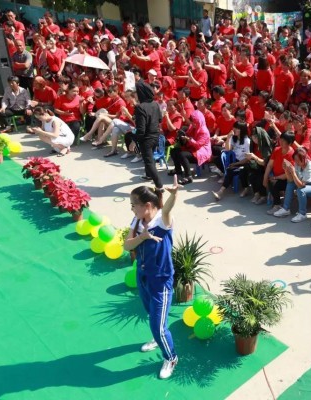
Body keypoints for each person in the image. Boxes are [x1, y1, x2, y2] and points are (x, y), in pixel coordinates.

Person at [123, 178, 181, 379]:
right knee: (151, 313)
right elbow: (126, 246)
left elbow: (167, 210)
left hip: (160, 281)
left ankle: (171, 357)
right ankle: (158, 339)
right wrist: (142, 237)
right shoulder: (138, 221)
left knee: (158, 325)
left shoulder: (162, 221)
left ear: (147, 205)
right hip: (143, 276)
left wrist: (173, 195)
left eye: (134, 205)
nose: (131, 209)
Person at [273, 147, 311, 223]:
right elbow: (290, 180)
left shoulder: (310, 168)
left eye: (298, 160)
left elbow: (301, 186)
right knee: (290, 184)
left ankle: (302, 214)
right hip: (308, 185)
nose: (296, 162)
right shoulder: (298, 164)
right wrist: (286, 170)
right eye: (295, 160)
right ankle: (286, 209)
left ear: (304, 159)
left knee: (301, 190)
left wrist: (293, 173)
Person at [134, 81, 163, 190]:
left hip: (146, 139)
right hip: (156, 136)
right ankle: (148, 175)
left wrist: (134, 139)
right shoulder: (155, 104)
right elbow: (160, 119)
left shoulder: (140, 107)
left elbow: (141, 130)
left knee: (149, 162)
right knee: (150, 159)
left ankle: (159, 186)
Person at [169, 111, 212, 185]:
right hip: (193, 148)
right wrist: (182, 135)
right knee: (174, 151)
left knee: (182, 155)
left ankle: (188, 176)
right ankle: (178, 169)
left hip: (202, 152)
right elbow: (188, 134)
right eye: (193, 122)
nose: (193, 123)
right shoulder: (193, 126)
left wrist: (188, 139)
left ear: (199, 121)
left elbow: (198, 145)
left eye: (195, 122)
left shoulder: (204, 131)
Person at [213, 122, 251, 200]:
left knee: (230, 170)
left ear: (242, 130)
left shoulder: (247, 141)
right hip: (234, 160)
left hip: (243, 162)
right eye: (234, 128)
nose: (234, 130)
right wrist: (228, 137)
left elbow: (248, 158)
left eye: (237, 128)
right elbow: (227, 149)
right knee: (218, 160)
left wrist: (236, 164)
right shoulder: (234, 138)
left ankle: (221, 192)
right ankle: (227, 179)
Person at [264, 132, 296, 215]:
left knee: (273, 183)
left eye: (283, 141)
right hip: (276, 176)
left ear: (289, 143)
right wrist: (265, 178)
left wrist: (275, 178)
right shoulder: (277, 150)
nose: (280, 142)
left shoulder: (292, 155)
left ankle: (277, 204)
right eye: (280, 139)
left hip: (288, 179)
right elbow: (270, 165)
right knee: (267, 179)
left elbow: (289, 174)